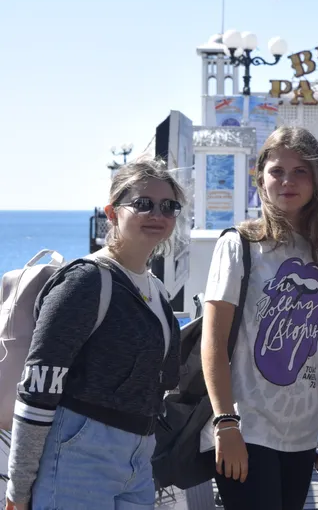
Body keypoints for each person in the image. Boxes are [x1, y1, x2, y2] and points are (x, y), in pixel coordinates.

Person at [6, 158, 184, 510]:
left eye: (169, 206)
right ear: (112, 212)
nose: (157, 214)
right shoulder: (86, 281)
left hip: (138, 456)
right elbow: (39, 385)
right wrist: (20, 486)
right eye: (143, 204)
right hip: (79, 453)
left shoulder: (158, 292)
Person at [201, 127, 318, 510]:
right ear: (260, 177)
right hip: (248, 429)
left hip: (300, 434)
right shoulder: (240, 246)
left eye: (301, 171)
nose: (288, 181)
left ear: (317, 181)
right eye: (277, 170)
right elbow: (213, 342)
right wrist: (225, 422)